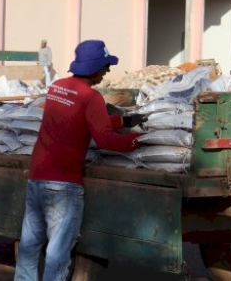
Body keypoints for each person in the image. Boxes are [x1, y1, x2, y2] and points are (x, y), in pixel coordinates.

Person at [14, 40, 142, 281]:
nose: (107, 72)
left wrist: (121, 122)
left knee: (30, 246)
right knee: (58, 253)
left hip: (37, 178)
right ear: (94, 68)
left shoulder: (58, 87)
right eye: (105, 66)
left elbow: (74, 122)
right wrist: (139, 140)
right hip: (64, 186)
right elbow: (104, 140)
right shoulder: (91, 97)